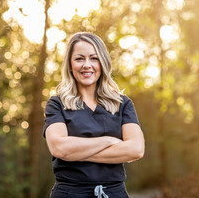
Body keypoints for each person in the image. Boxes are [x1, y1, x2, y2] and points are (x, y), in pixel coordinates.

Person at [43, 32, 145, 198]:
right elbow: (59, 148)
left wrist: (76, 153)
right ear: (70, 64)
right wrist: (109, 141)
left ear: (102, 62)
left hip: (115, 193)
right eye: (79, 59)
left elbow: (136, 149)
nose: (87, 65)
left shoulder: (123, 104)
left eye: (94, 58)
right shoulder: (56, 104)